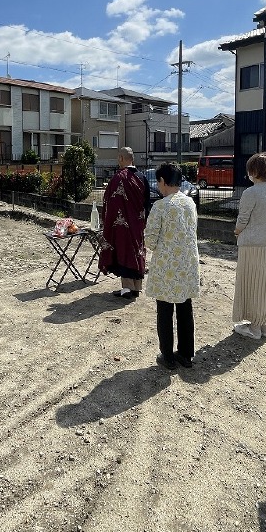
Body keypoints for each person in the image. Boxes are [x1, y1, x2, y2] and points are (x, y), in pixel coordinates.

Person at [144, 163, 201, 369]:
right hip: (187, 264)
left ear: (162, 181)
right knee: (185, 309)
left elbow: (150, 240)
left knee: (165, 311)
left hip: (167, 267)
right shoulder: (190, 203)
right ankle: (186, 355)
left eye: (158, 181)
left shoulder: (160, 206)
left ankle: (167, 356)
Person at [232, 152, 266, 340]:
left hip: (252, 245)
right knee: (264, 285)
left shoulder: (250, 192)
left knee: (251, 284)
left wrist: (236, 231)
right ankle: (264, 326)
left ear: (253, 171)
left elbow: (242, 219)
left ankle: (254, 328)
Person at [98, 147, 150, 298]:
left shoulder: (118, 178)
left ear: (121, 158)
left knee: (124, 252)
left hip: (122, 225)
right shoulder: (142, 177)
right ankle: (136, 288)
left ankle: (127, 289)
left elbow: (110, 201)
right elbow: (147, 202)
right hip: (138, 224)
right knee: (138, 251)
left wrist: (108, 222)